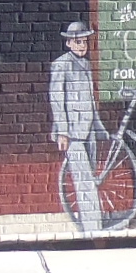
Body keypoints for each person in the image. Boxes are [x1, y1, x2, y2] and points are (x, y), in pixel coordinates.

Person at [48, 21, 106, 232]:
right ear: (69, 43)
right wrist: (62, 131)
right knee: (83, 178)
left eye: (85, 42)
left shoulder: (86, 65)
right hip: (72, 130)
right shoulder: (61, 64)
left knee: (90, 174)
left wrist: (98, 126)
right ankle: (92, 226)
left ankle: (92, 222)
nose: (82, 46)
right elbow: (56, 99)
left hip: (88, 128)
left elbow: (90, 99)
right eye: (78, 42)